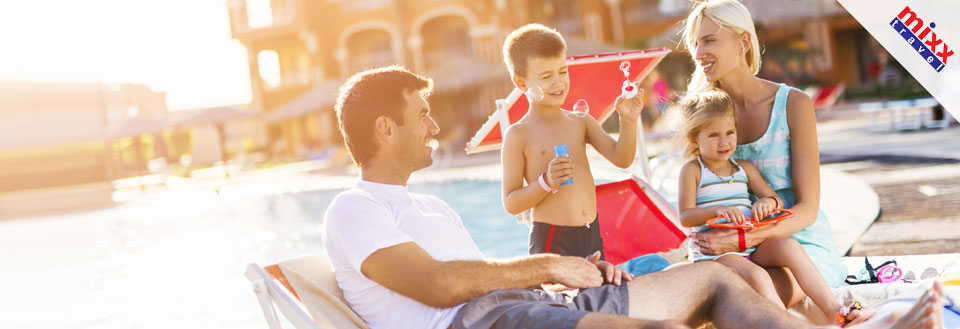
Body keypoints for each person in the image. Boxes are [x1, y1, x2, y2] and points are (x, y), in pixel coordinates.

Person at [321, 65, 944, 329]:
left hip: (527, 301)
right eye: (422, 115)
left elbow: (472, 272)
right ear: (385, 128)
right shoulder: (355, 209)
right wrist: (548, 262)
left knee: (721, 277)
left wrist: (568, 273)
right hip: (480, 322)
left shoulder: (430, 207)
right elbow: (438, 287)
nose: (435, 126)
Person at [681, 0, 849, 308]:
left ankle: (837, 316)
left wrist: (746, 238)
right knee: (716, 295)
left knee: (747, 299)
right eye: (695, 44)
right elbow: (695, 200)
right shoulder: (704, 116)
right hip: (732, 250)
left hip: (799, 244)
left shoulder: (792, 105)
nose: (698, 52)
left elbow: (808, 209)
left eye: (709, 40)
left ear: (743, 41)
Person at [676, 89, 872, 326]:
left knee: (788, 246)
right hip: (716, 254)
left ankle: (833, 310)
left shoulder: (743, 168)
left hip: (750, 245)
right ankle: (783, 323)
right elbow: (685, 216)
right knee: (757, 275)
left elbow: (773, 199)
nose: (724, 141)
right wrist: (716, 210)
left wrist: (765, 202)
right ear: (695, 140)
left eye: (730, 132)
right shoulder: (693, 171)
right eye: (713, 135)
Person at [499, 23, 643, 260]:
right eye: (546, 76)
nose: (558, 82)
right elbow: (511, 203)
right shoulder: (519, 135)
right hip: (553, 239)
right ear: (522, 83)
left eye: (563, 71)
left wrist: (628, 120)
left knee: (598, 295)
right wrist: (546, 182)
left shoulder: (580, 122)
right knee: (559, 297)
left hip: (592, 233)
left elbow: (623, 159)